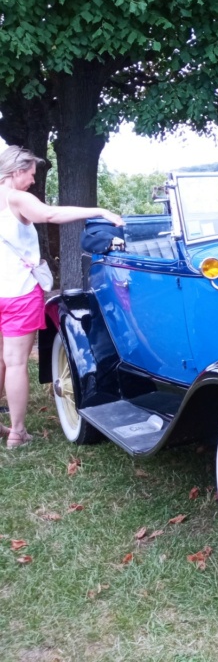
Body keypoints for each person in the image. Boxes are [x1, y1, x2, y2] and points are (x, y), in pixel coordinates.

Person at [0, 145, 123, 448]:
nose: (31, 181)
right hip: (17, 292)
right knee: (15, 362)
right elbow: (51, 214)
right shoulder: (17, 198)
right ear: (16, 171)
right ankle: (17, 432)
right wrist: (100, 211)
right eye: (29, 174)